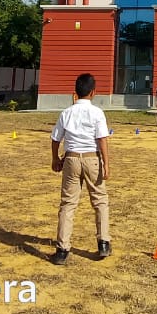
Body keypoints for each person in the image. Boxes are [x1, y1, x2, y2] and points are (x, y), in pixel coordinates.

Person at [50, 73, 112, 264]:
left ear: (75, 92)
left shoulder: (67, 112)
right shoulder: (97, 112)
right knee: (100, 200)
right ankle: (103, 242)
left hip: (71, 159)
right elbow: (102, 139)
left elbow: (55, 138)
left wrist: (55, 158)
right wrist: (106, 163)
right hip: (92, 158)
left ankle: (62, 249)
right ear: (93, 92)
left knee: (68, 204)